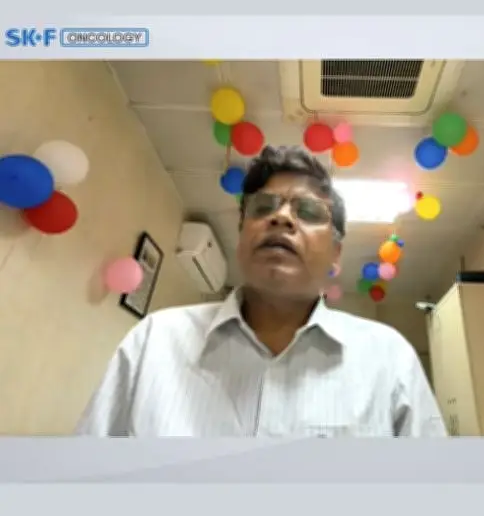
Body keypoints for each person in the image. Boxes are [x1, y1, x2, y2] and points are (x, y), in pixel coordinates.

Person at [76, 145, 448, 437]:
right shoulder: (155, 342)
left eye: (308, 212)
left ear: (336, 253)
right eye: (262, 207)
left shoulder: (388, 358)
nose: (281, 217)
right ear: (241, 236)